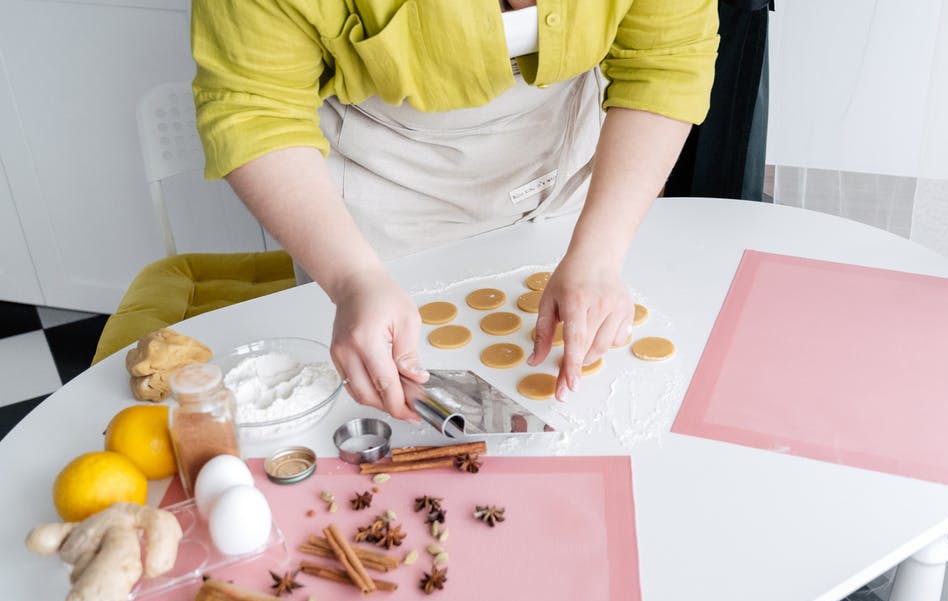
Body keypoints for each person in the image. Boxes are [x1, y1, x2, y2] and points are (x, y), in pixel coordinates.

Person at [191, 0, 719, 419]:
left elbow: (665, 62)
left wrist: (600, 253)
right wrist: (353, 280)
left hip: (571, 169)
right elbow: (253, 106)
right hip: (381, 202)